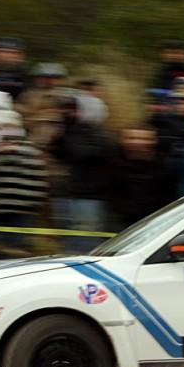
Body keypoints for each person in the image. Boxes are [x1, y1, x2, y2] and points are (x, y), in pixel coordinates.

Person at [0, 110, 48, 256]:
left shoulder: (30, 150)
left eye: (2, 126)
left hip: (19, 213)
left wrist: (32, 205)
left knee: (13, 252)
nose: (0, 129)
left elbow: (38, 179)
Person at [50, 96, 112, 253]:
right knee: (67, 239)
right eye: (64, 109)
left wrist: (67, 134)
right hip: (65, 193)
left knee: (86, 239)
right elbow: (58, 155)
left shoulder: (95, 133)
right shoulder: (66, 131)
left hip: (88, 195)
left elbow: (83, 154)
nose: (66, 113)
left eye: (71, 109)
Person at [110, 125, 174, 228]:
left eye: (144, 139)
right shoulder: (113, 163)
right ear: (121, 140)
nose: (137, 142)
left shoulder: (163, 165)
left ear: (154, 141)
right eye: (132, 138)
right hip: (120, 219)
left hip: (154, 219)